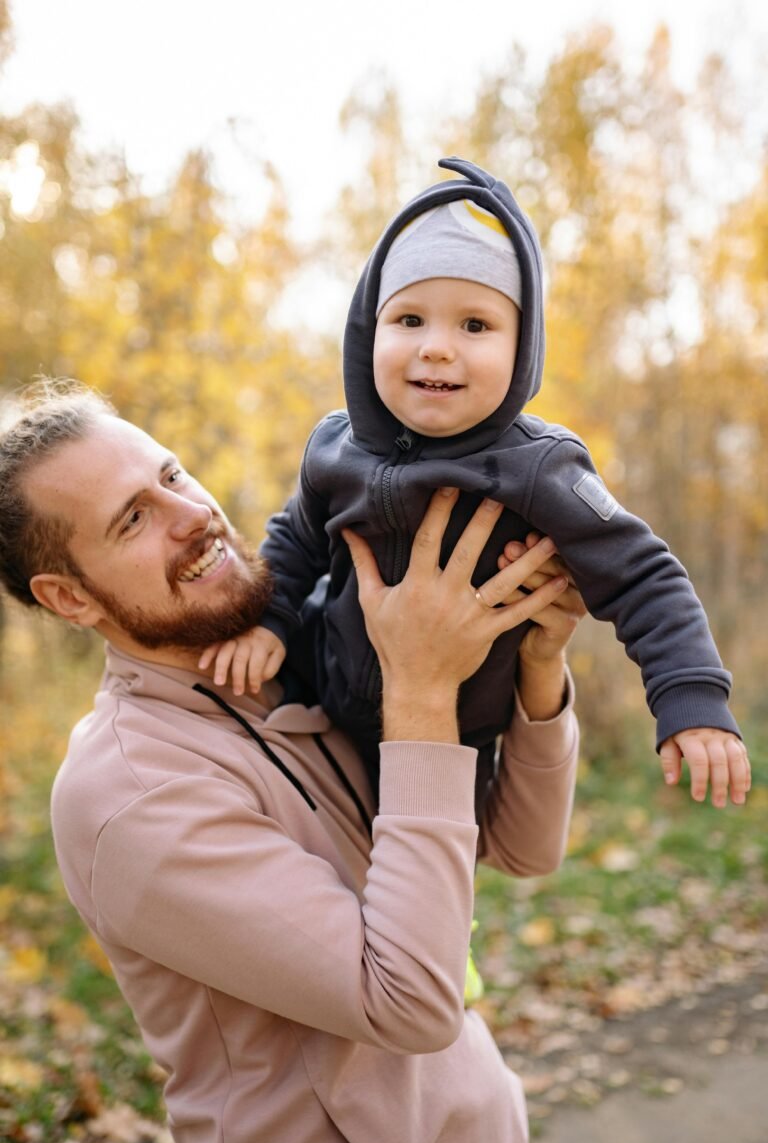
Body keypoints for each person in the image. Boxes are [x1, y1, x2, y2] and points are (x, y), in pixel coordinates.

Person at [0, 380, 583, 1143]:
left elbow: (519, 848)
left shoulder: (302, 654)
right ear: (69, 598)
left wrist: (539, 667)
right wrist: (420, 686)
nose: (193, 515)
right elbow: (405, 1004)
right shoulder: (128, 793)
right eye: (133, 519)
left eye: (171, 476)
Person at [207, 156, 751, 814]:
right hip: (320, 694)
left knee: (426, 869)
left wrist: (692, 698)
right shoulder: (334, 446)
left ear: (522, 347)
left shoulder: (541, 468)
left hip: (455, 736)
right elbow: (295, 539)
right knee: (311, 838)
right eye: (409, 320)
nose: (436, 347)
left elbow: (643, 576)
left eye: (475, 325)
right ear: (366, 333)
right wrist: (269, 621)